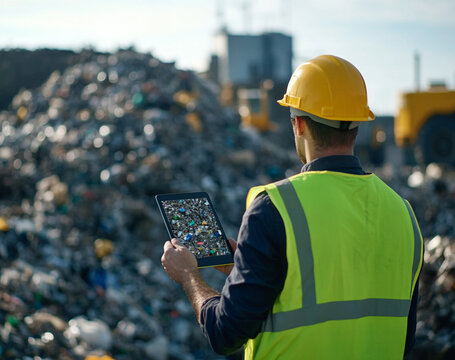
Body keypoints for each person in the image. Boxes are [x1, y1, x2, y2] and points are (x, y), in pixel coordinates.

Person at [161, 55, 423, 359]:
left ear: (298, 123)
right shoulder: (402, 213)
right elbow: (395, 330)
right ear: (358, 125)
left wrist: (189, 276)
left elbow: (225, 333)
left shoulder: (274, 207)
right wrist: (248, 270)